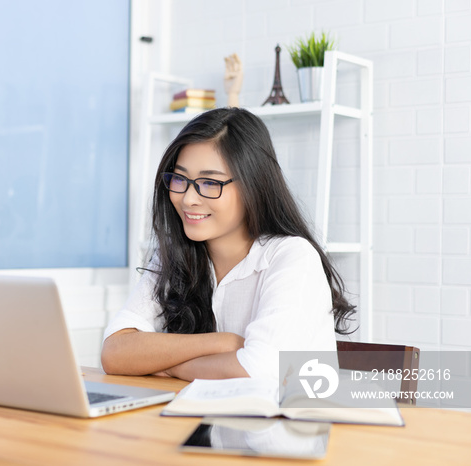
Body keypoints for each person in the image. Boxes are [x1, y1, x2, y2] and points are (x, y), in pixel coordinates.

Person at [101, 107, 355, 382]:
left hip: (279, 424)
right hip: (191, 423)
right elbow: (114, 352)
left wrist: (169, 366)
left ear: (253, 185)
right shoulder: (174, 256)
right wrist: (223, 343)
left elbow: (257, 371)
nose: (188, 199)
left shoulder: (292, 257)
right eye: (180, 179)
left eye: (209, 182)